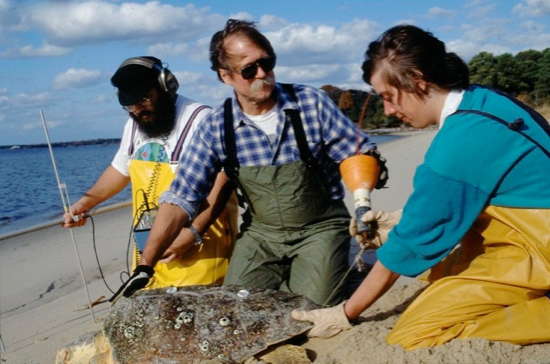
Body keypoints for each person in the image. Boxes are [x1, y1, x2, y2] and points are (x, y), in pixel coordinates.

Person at [292, 24, 550, 349]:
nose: (387, 110)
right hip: (525, 229)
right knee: (437, 269)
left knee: (413, 335)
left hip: (537, 248)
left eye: (388, 97)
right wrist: (400, 221)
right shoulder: (483, 99)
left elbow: (407, 249)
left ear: (417, 80)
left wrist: (346, 312)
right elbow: (474, 194)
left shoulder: (457, 143)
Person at [110, 19, 388, 306]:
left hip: (320, 229)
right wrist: (146, 264)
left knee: (309, 306)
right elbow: (181, 197)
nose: (263, 74)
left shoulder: (311, 103)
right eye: (249, 69)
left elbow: (356, 152)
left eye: (267, 63)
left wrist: (362, 201)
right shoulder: (216, 126)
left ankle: (324, 273)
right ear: (225, 76)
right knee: (236, 309)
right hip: (262, 235)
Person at [63, 56, 237, 290]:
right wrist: (86, 202)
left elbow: (222, 181)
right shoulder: (135, 124)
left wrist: (193, 232)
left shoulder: (201, 118)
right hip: (152, 246)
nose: (138, 110)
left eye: (145, 98)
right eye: (130, 104)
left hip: (201, 244)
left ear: (166, 85)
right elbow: (120, 169)